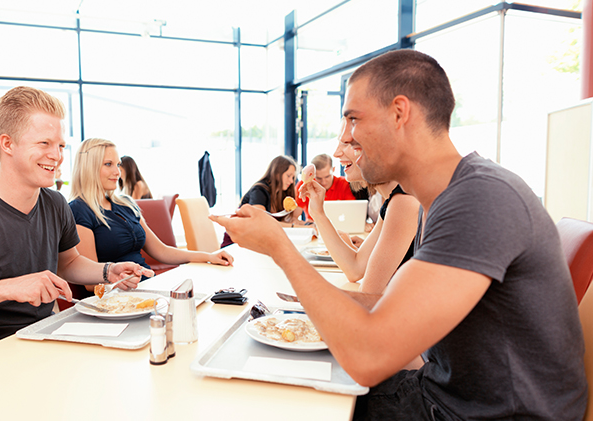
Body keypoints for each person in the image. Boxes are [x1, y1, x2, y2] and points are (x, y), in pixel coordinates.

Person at [211, 49, 586, 420]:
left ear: (399, 113)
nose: (347, 139)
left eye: (353, 119)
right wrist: (311, 297)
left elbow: (368, 357)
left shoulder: (480, 199)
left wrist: (280, 248)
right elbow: (394, 308)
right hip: (448, 396)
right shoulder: (440, 200)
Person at [0, 86, 153, 356]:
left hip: (49, 338)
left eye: (60, 145)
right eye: (44, 143)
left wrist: (107, 271)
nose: (57, 156)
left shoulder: (54, 203)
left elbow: (68, 262)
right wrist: (6, 288)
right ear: (7, 143)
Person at [69, 138, 233, 298]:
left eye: (118, 164)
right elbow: (90, 284)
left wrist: (209, 256)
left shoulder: (126, 204)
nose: (117, 172)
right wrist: (120, 283)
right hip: (118, 298)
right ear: (89, 168)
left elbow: (161, 251)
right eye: (108, 164)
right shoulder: (79, 210)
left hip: (148, 287)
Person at [301, 140, 419, 294]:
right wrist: (318, 213)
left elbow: (367, 296)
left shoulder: (404, 203)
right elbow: (354, 269)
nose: (336, 152)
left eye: (347, 143)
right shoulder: (394, 201)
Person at [221, 155, 304, 248]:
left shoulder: (281, 195)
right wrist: (295, 227)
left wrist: (303, 224)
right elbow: (262, 223)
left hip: (254, 244)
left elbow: (289, 219)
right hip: (235, 245)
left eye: (293, 177)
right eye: (288, 176)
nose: (291, 181)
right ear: (276, 173)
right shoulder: (259, 191)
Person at [294, 153, 355, 221]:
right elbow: (294, 217)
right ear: (313, 175)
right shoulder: (305, 185)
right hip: (314, 227)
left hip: (341, 226)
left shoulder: (345, 184)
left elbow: (353, 212)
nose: (323, 182)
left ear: (333, 169)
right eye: (319, 178)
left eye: (327, 176)